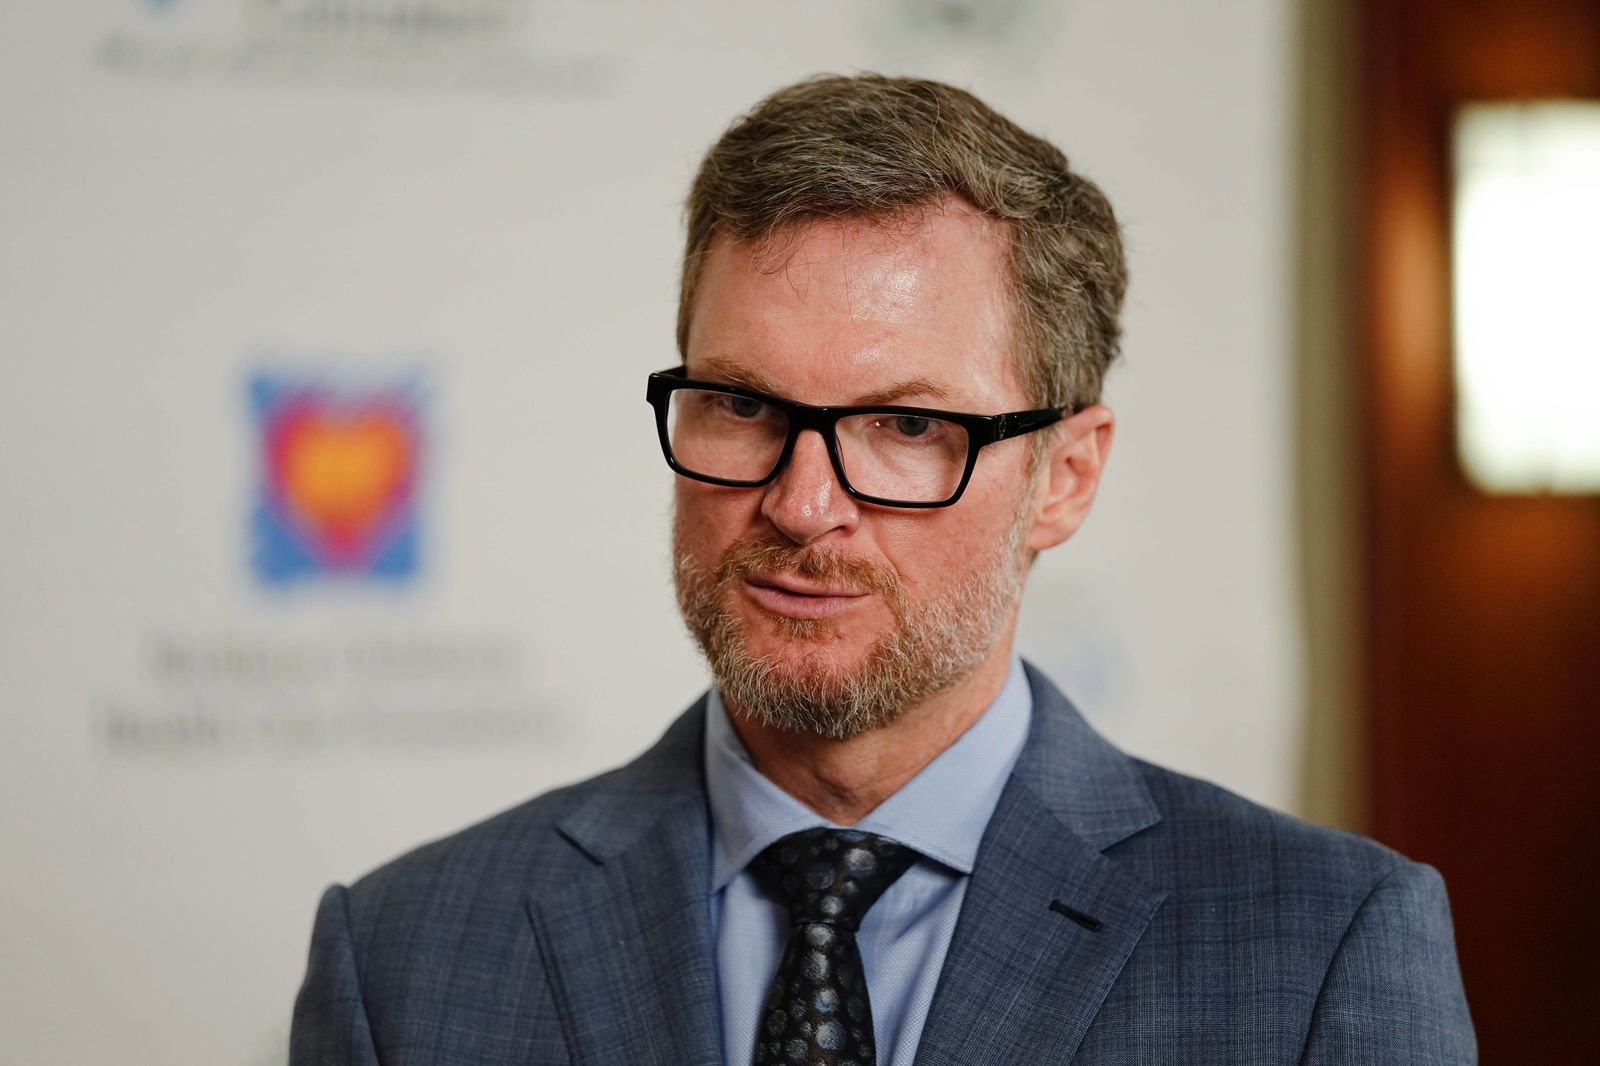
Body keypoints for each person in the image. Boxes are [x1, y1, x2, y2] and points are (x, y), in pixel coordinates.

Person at [291, 74, 1476, 1066]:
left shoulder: (1319, 951)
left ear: (1064, 477)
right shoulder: (402, 958)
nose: (803, 506)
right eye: (741, 405)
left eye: (906, 427)